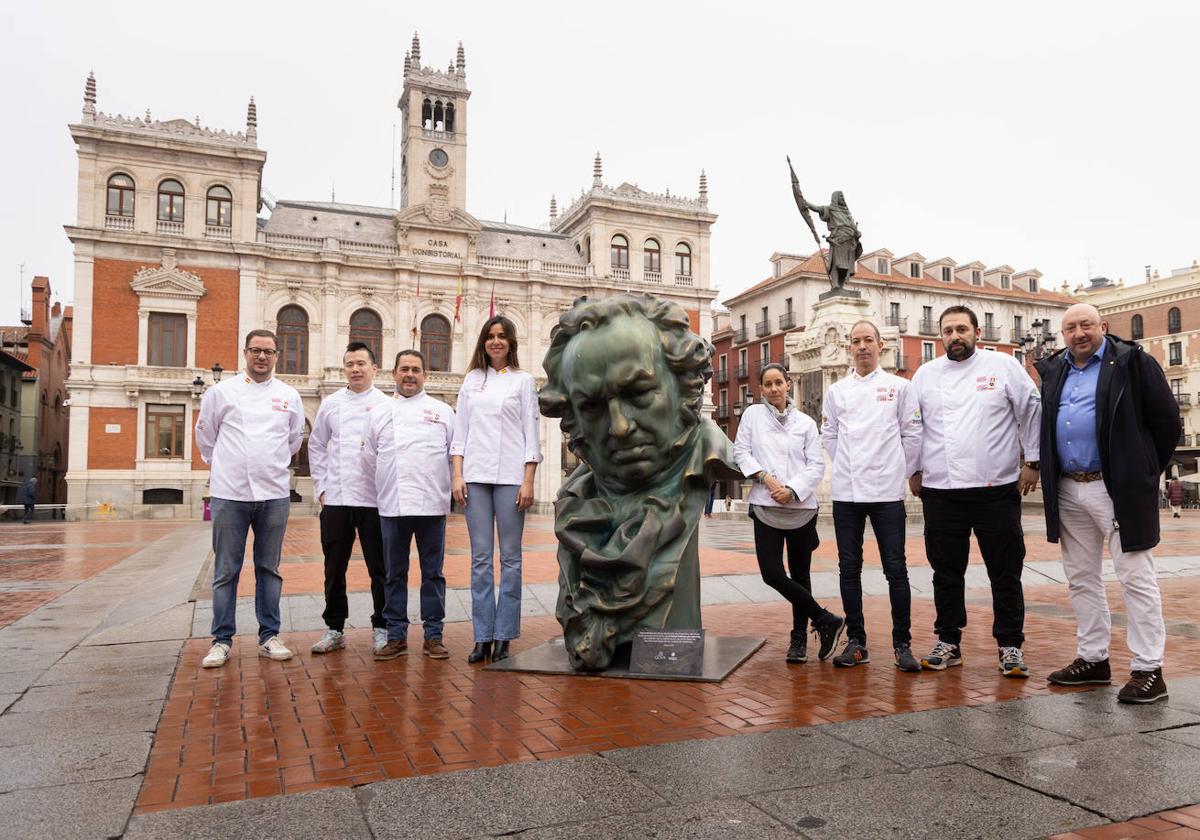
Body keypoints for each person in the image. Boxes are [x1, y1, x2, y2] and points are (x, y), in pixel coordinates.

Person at [539, 293, 740, 671]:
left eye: (639, 393)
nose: (619, 427)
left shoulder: (706, 456)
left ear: (684, 383)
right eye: (593, 407)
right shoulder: (574, 506)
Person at [1036, 304, 1179, 704]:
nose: (1079, 333)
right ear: (1062, 334)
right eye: (1070, 328)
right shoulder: (1055, 370)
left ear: (1103, 326)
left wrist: (1145, 469)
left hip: (1114, 487)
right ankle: (1093, 658)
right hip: (1069, 486)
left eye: (1086, 325)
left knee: (1135, 577)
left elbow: (1167, 421)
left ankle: (1149, 669)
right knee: (1081, 577)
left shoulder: (1134, 362)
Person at [909, 305, 1041, 678]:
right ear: (940, 337)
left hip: (996, 489)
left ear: (977, 332)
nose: (955, 336)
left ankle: (1010, 646)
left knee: (1005, 571)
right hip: (941, 490)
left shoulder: (1003, 367)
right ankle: (948, 641)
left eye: (961, 329)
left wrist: (1032, 461)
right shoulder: (925, 375)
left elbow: (1032, 409)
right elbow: (914, 426)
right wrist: (914, 469)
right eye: (948, 331)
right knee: (946, 572)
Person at [196, 329, 304, 668]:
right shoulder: (221, 392)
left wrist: (265, 464)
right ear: (245, 353)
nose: (262, 357)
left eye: (269, 351)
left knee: (269, 568)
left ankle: (269, 635)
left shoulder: (289, 396)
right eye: (256, 350)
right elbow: (206, 436)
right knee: (226, 569)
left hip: (273, 494)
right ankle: (221, 639)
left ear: (276, 355)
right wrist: (229, 465)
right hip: (230, 494)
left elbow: (293, 441)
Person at [822, 320, 923, 671]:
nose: (862, 346)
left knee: (896, 568)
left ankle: (902, 644)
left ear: (881, 345)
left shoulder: (900, 387)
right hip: (847, 493)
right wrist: (849, 465)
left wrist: (898, 471)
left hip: (887, 493)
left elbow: (912, 434)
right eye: (856, 341)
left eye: (868, 340)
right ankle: (857, 641)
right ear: (849, 348)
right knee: (848, 568)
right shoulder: (837, 392)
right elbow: (830, 436)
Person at [733, 362, 846, 664]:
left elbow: (816, 465)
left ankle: (799, 639)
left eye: (778, 383)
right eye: (767, 384)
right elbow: (741, 451)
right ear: (761, 389)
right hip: (765, 504)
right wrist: (765, 478)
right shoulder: (752, 416)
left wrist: (793, 489)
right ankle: (824, 619)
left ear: (787, 384)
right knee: (771, 573)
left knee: (800, 574)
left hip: (800, 509)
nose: (773, 389)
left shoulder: (806, 423)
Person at [451, 315, 542, 664]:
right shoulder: (471, 381)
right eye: (490, 336)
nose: (496, 342)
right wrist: (457, 475)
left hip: (510, 478)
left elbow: (530, 434)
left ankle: (504, 634)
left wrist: (528, 478)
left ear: (511, 342)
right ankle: (482, 635)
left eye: (502, 336)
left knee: (511, 559)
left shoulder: (523, 382)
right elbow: (460, 434)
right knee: (479, 559)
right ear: (483, 342)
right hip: (475, 477)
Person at [366, 350, 455, 661]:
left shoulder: (443, 411)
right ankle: (395, 635)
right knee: (394, 573)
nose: (409, 375)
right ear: (393, 374)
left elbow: (453, 456)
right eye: (404, 369)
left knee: (433, 573)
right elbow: (370, 458)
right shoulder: (379, 413)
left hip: (432, 504)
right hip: (393, 505)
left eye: (416, 370)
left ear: (424, 376)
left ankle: (434, 635)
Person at [307, 342, 391, 656]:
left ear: (374, 368)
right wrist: (322, 489)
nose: (355, 369)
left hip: (375, 501)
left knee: (379, 568)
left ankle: (382, 628)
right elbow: (316, 445)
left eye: (361, 363)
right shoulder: (330, 404)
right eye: (349, 364)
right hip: (338, 499)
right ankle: (334, 628)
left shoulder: (386, 404)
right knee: (334, 568)